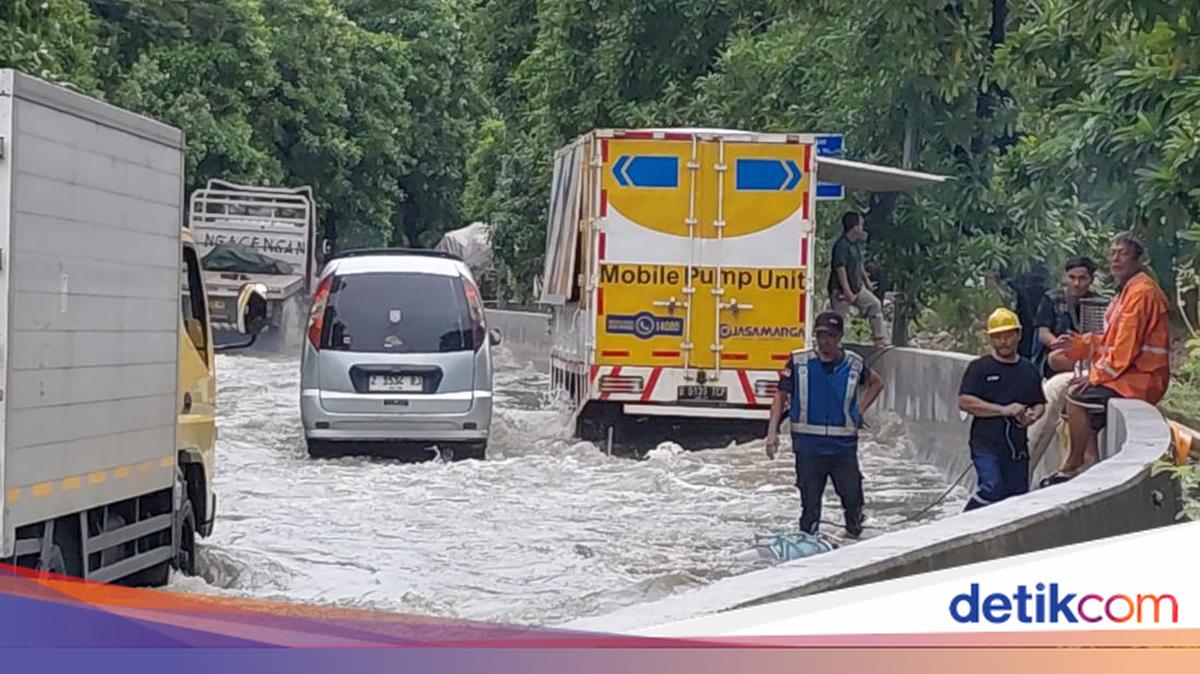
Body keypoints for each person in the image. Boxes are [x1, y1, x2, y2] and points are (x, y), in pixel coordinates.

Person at [1043, 232, 1171, 483]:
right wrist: (1078, 346)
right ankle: (1090, 462)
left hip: (1142, 378)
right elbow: (1110, 341)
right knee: (1082, 398)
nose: (1115, 259)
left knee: (1076, 397)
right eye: (1112, 253)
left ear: (1137, 259)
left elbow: (1124, 349)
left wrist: (1094, 376)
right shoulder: (1126, 292)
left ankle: (1074, 464)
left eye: (1122, 253)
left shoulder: (1141, 293)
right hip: (1130, 374)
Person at [765, 312, 885, 537]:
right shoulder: (799, 361)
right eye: (820, 335)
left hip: (843, 447)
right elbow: (780, 396)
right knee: (810, 504)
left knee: (852, 498)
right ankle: (809, 542)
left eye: (830, 336)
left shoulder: (854, 363)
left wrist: (857, 411)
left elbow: (877, 384)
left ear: (839, 336)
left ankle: (853, 532)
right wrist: (772, 433)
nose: (824, 341)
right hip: (809, 446)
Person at [957, 308, 1047, 510]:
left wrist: (1033, 416)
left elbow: (1039, 402)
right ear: (990, 339)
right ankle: (963, 523)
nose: (1004, 341)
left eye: (1008, 335)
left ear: (1018, 335)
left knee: (1016, 497)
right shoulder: (980, 368)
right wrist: (1003, 410)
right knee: (992, 488)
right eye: (998, 337)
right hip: (986, 444)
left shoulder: (1028, 370)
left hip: (1016, 448)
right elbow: (965, 401)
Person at [1033, 256, 1101, 378]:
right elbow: (1043, 333)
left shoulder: (1097, 302)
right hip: (1061, 352)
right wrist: (1056, 342)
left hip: (1089, 353)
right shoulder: (1051, 298)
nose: (1076, 283)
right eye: (1072, 277)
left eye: (1082, 278)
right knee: (1056, 358)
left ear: (1091, 280)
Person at [828, 211, 888, 345]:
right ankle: (833, 344)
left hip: (857, 288)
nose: (862, 228)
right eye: (861, 225)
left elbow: (859, 264)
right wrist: (846, 290)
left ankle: (879, 338)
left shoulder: (855, 244)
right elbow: (840, 268)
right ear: (854, 227)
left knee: (874, 304)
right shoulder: (841, 245)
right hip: (841, 291)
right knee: (838, 319)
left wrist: (867, 283)